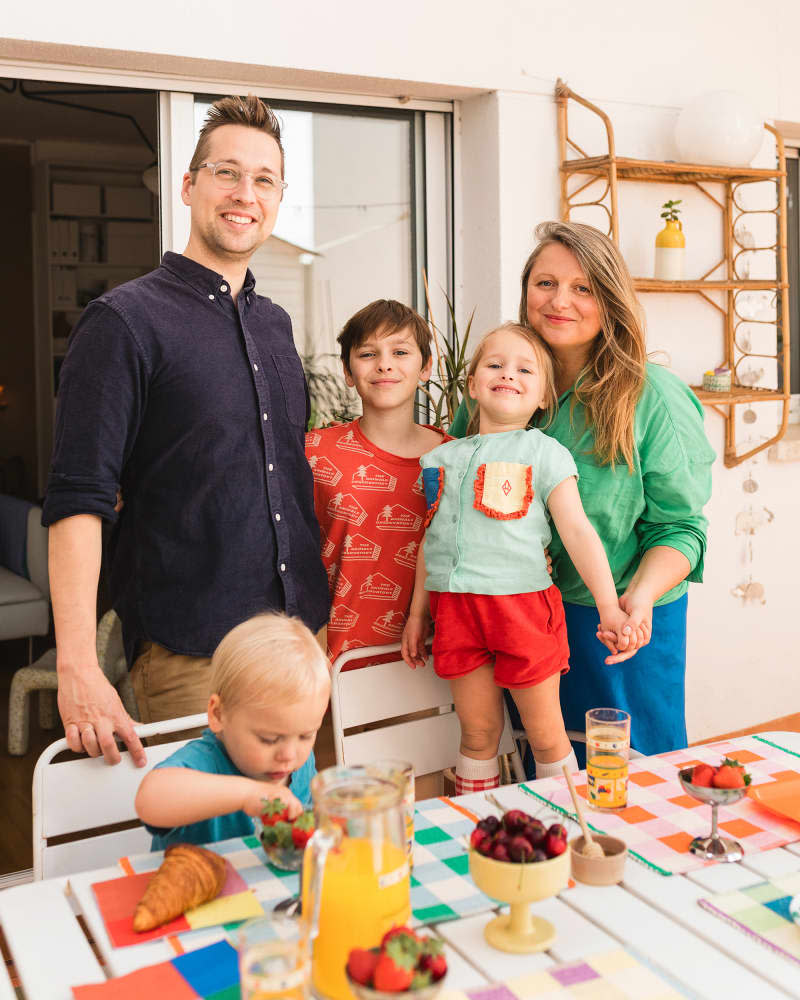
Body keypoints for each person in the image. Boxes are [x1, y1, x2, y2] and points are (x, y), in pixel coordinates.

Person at [42, 95, 329, 766]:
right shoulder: (123, 323)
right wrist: (78, 666)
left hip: (299, 645)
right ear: (188, 185)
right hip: (194, 659)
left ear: (279, 197)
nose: (244, 193)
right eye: (226, 172)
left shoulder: (277, 328)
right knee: (205, 862)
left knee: (290, 853)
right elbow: (78, 498)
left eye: (263, 180)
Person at [450, 222, 715, 762]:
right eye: (545, 283)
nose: (559, 301)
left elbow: (682, 529)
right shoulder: (498, 387)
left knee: (633, 782)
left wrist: (633, 603)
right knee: (538, 772)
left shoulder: (654, 397)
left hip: (617, 623)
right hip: (515, 617)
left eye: (583, 288)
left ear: (609, 298)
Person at [401, 323, 635, 792]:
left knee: (546, 735)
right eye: (495, 364)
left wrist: (610, 606)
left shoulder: (544, 453)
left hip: (522, 609)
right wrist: (417, 613)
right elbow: (431, 539)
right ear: (472, 384)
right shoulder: (439, 461)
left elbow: (577, 532)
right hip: (456, 611)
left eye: (524, 369)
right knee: (478, 733)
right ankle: (481, 830)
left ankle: (569, 829)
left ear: (544, 395)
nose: (508, 374)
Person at [306, 299, 448, 665]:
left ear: (426, 367)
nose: (384, 363)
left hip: (431, 663)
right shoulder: (314, 453)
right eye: (368, 353)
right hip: (330, 663)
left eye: (400, 351)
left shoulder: (458, 460)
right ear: (348, 372)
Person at [135, 613, 329, 849]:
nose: (289, 754)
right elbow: (151, 800)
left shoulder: (301, 763)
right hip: (193, 882)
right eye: (269, 739)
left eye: (306, 736)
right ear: (218, 715)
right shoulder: (205, 762)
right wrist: (249, 795)